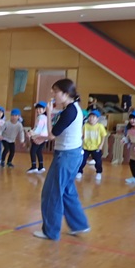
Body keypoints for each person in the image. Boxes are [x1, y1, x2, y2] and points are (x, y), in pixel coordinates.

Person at [34, 79, 90, 241]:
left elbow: (53, 134)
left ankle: (50, 231)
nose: (53, 94)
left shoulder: (70, 111)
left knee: (51, 192)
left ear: (66, 94)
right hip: (72, 155)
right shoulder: (72, 109)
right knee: (66, 191)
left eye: (55, 91)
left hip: (66, 157)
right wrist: (42, 137)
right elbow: (60, 132)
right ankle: (80, 224)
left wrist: (48, 113)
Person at [77, 109, 107, 181]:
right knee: (82, 160)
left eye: (93, 117)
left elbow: (103, 136)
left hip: (96, 147)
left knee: (98, 161)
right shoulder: (85, 126)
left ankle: (99, 172)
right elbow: (82, 135)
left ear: (97, 119)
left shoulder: (100, 126)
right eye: (90, 117)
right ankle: (79, 171)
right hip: (86, 147)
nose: (91, 118)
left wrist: (101, 145)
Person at [27, 101, 49, 173]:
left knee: (33, 151)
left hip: (39, 137)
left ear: (44, 109)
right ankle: (41, 166)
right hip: (45, 137)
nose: (38, 110)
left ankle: (34, 167)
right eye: (37, 108)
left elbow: (38, 128)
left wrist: (31, 133)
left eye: (40, 108)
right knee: (39, 151)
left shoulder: (40, 117)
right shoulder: (46, 117)